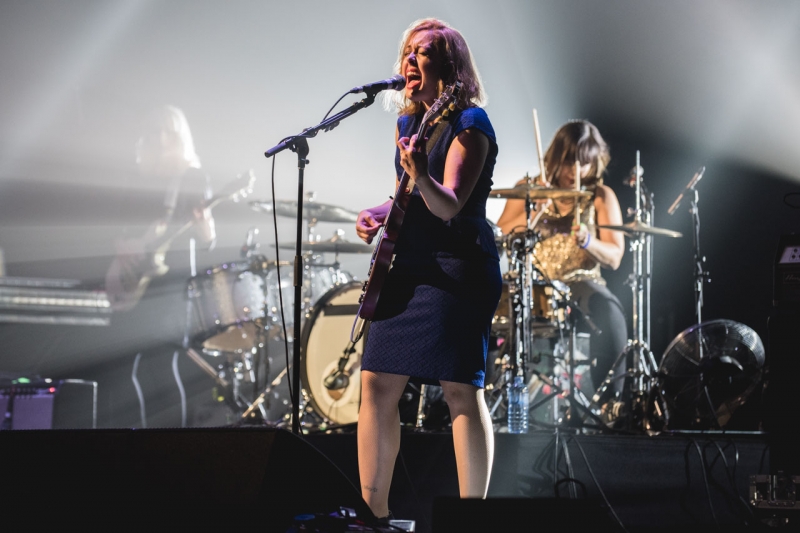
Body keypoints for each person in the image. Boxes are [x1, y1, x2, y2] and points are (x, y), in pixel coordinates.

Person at [355, 19, 502, 522]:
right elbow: (412, 197)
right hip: (411, 263)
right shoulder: (407, 125)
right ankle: (372, 514)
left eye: (424, 53)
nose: (411, 62)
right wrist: (381, 210)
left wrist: (418, 173)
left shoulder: (471, 124)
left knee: (461, 388)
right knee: (376, 382)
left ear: (449, 67)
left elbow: (449, 205)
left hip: (456, 265)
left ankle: (471, 518)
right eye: (407, 53)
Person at [101, 104, 218, 428]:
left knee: (165, 368)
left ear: (181, 137)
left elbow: (209, 238)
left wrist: (204, 225)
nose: (162, 139)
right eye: (156, 132)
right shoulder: (138, 179)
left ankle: (171, 449)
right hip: (133, 283)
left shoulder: (194, 177)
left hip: (171, 288)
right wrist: (124, 247)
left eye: (170, 132)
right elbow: (117, 229)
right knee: (126, 370)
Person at [496, 119, 627, 398]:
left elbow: (615, 257)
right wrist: (534, 213)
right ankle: (484, 397)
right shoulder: (529, 188)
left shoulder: (600, 196)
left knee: (611, 310)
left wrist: (588, 241)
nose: (576, 171)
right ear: (556, 158)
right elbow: (500, 235)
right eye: (569, 162)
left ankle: (608, 403)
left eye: (585, 163)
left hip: (580, 284)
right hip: (534, 283)